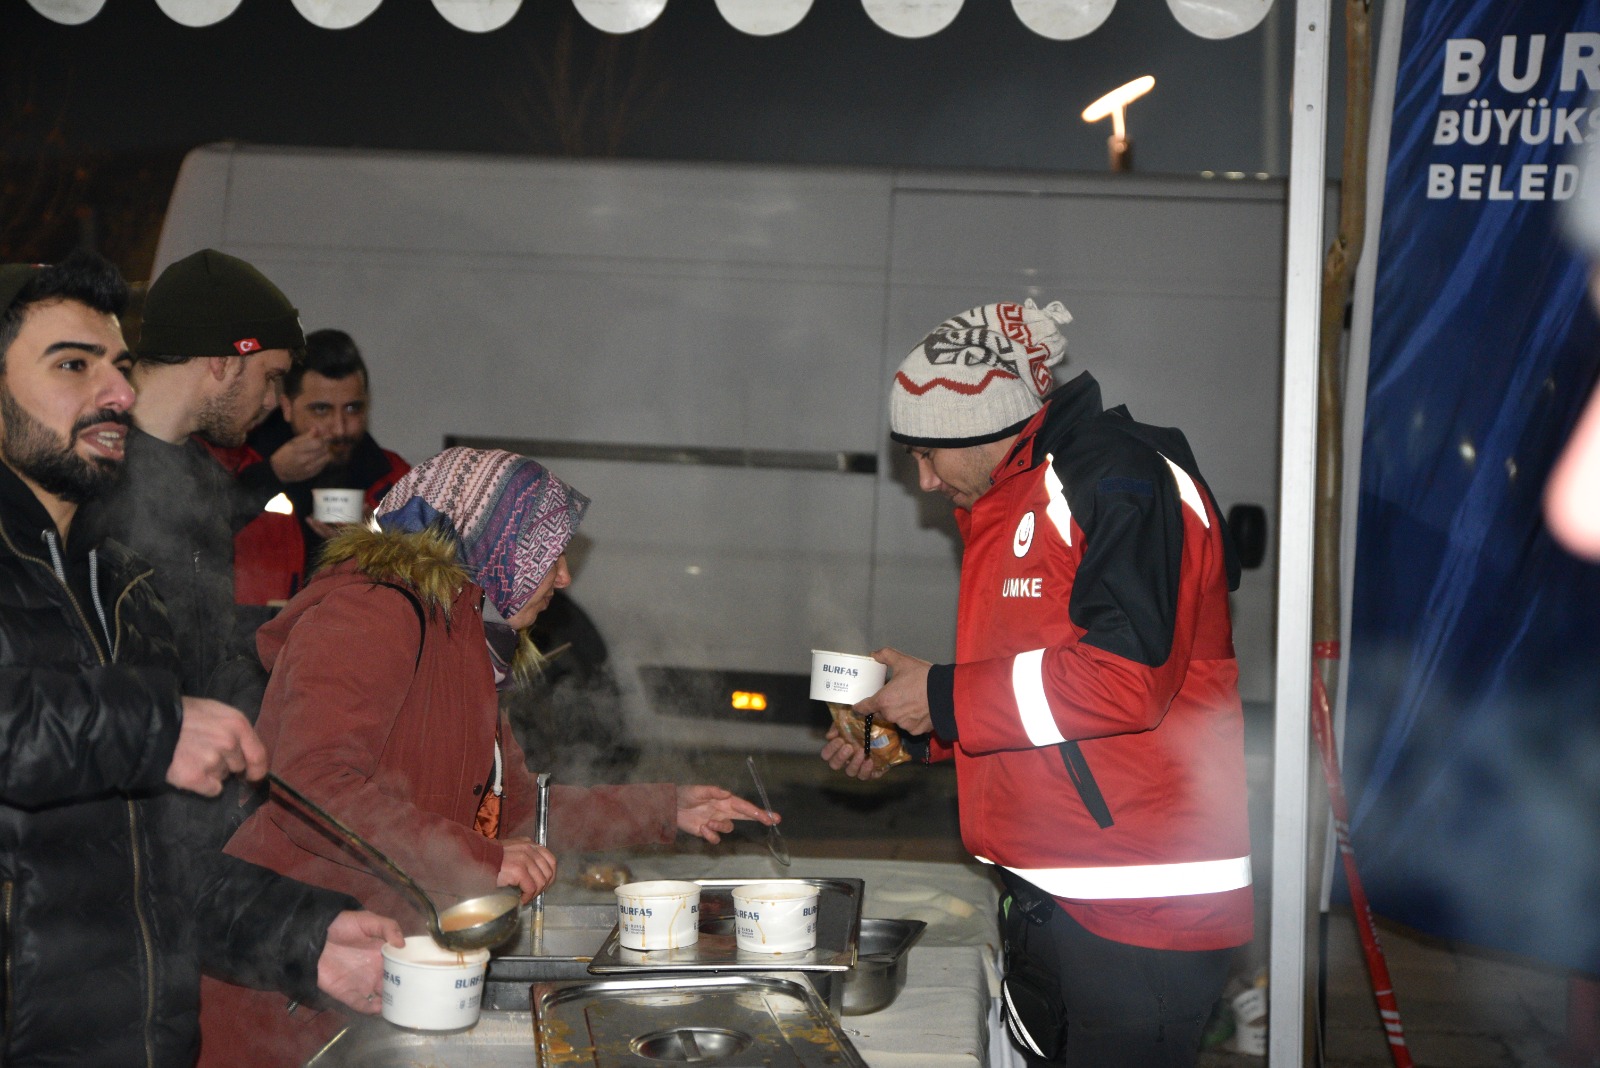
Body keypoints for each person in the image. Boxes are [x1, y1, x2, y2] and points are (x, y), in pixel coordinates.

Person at [198, 446, 779, 1067]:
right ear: (495, 546)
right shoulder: (371, 613)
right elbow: (310, 786)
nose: (564, 578)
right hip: (291, 987)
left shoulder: (466, 645)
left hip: (374, 973)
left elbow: (515, 815)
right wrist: (482, 859)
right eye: (549, 554)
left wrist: (666, 808)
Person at [822, 299, 1253, 1068]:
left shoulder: (1117, 478)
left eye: (928, 454)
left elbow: (1125, 681)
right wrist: (910, 733)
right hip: (1055, 894)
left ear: (987, 427)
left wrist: (942, 695)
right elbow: (1038, 695)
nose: (924, 480)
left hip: (1140, 910)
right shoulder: (1015, 495)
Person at [0, 252, 403, 1067]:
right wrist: (154, 726)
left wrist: (303, 935)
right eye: (73, 365)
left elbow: (152, 857)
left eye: (119, 367)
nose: (117, 392)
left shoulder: (117, 590)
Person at [217, 328, 411, 604]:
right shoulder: (236, 464)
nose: (339, 428)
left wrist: (375, 539)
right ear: (287, 407)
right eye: (321, 410)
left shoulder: (397, 479)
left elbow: (430, 579)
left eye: (352, 409)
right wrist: (271, 476)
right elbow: (195, 531)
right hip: (254, 629)